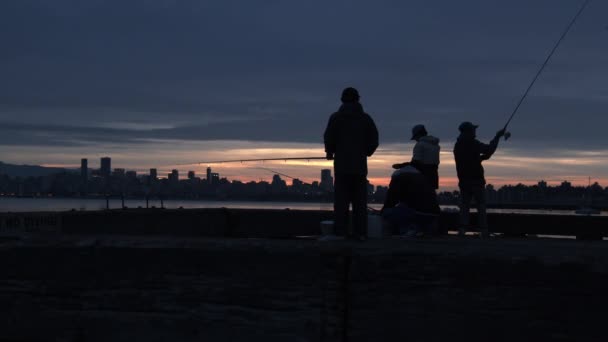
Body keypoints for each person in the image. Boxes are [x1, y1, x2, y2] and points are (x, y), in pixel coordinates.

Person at [324, 87, 379, 241]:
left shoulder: (336, 118)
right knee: (360, 203)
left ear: (342, 100)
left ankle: (340, 232)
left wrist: (330, 151)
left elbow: (329, 137)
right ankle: (360, 233)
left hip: (341, 167)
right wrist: (366, 152)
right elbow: (374, 139)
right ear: (358, 99)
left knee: (341, 202)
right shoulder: (366, 119)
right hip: (360, 168)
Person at [453, 121, 505, 238]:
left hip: (464, 181)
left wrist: (481, 157)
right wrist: (497, 136)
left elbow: (469, 159)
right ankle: (483, 230)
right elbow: (488, 149)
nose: (475, 131)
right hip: (476, 180)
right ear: (469, 131)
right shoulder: (473, 143)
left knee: (464, 205)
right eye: (473, 129)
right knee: (480, 205)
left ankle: (462, 229)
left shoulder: (458, 145)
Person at [381, 165, 440, 238]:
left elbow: (390, 200)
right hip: (433, 215)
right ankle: (419, 229)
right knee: (402, 208)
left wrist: (381, 212)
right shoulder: (423, 178)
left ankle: (407, 230)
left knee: (387, 213)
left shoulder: (399, 178)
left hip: (417, 214)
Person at [392, 124, 440, 189]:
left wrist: (401, 166)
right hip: (433, 177)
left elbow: (416, 163)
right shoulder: (435, 145)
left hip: (421, 177)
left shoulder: (420, 145)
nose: (416, 140)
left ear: (418, 135)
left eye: (415, 138)